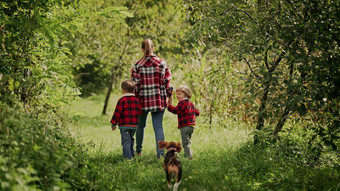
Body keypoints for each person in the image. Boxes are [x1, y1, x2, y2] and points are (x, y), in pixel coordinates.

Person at [131, 39, 172, 158]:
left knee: (140, 126)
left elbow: (135, 85)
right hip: (158, 100)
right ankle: (160, 154)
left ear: (142, 49)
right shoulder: (161, 63)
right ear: (153, 48)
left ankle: (138, 151)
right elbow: (167, 82)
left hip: (142, 101)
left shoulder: (137, 65)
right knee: (158, 126)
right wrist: (169, 96)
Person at [110, 80, 141, 160]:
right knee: (130, 139)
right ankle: (131, 155)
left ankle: (128, 159)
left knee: (126, 141)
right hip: (134, 125)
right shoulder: (136, 100)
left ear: (123, 90)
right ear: (133, 90)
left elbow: (117, 113)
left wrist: (113, 123)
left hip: (124, 125)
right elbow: (140, 112)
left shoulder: (122, 100)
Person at [167, 85, 199, 160]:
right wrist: (192, 115)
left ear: (185, 94)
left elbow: (176, 110)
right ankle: (186, 153)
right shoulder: (191, 104)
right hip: (191, 126)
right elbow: (197, 112)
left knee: (185, 143)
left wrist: (169, 106)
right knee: (187, 142)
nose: (177, 96)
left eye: (179, 94)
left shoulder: (182, 103)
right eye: (176, 94)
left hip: (184, 126)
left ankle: (189, 157)